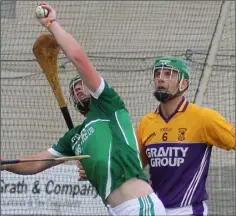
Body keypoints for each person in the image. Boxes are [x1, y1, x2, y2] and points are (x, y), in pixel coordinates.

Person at [0, 2, 166, 216]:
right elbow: (38, 162)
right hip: (115, 209)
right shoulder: (74, 137)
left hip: (140, 206)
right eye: (74, 88)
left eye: (82, 84)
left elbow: (78, 57)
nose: (78, 88)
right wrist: (5, 165)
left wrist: (51, 24)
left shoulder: (109, 106)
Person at [78, 56, 235, 215]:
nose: (160, 79)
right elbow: (133, 167)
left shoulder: (204, 118)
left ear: (184, 83)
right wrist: (95, 167)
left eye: (168, 74)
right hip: (155, 209)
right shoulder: (146, 123)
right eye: (157, 74)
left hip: (188, 210)